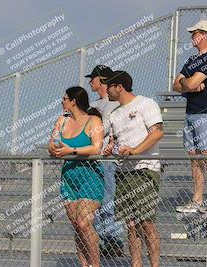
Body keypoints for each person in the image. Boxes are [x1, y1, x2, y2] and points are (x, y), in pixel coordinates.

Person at [103, 70, 163, 267]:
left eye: (109, 86)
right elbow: (114, 142)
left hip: (145, 169)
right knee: (131, 225)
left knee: (146, 223)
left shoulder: (146, 103)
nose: (106, 90)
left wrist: (135, 151)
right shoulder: (114, 114)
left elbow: (157, 133)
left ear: (119, 87)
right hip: (123, 172)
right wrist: (109, 149)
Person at [48, 86, 104, 267]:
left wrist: (71, 150)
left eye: (64, 99)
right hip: (69, 176)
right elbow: (52, 144)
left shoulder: (93, 121)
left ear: (73, 101)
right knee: (76, 225)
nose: (62, 102)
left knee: (83, 223)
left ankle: (95, 264)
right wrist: (55, 149)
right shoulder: (61, 121)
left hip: (89, 174)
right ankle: (83, 264)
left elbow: (96, 148)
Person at [172, 19, 207, 213]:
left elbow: (189, 84)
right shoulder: (192, 60)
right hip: (191, 112)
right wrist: (189, 84)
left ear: (206, 35)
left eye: (196, 33)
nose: (192, 36)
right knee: (194, 157)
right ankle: (197, 200)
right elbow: (177, 85)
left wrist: (188, 84)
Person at [85, 65, 124, 256]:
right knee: (96, 203)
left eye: (92, 79)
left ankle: (114, 241)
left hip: (108, 160)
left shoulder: (114, 103)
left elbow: (112, 129)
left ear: (101, 79)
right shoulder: (94, 105)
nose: (90, 82)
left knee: (107, 201)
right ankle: (106, 241)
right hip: (93, 160)